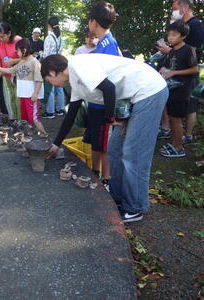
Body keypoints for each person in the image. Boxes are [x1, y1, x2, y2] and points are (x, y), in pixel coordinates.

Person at [41, 54, 168, 223]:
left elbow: (108, 88)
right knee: (114, 148)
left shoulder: (78, 65)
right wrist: (56, 144)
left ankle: (135, 207)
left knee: (133, 153)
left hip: (149, 91)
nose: (50, 84)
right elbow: (70, 116)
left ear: (52, 72)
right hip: (133, 98)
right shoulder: (76, 82)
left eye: (48, 80)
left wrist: (110, 119)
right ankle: (117, 197)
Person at [84, 0, 122, 188]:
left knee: (104, 144)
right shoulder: (102, 43)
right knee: (95, 142)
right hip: (95, 102)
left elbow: (110, 82)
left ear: (94, 22)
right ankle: (95, 173)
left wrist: (110, 114)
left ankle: (106, 180)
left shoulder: (109, 44)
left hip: (104, 106)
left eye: (88, 20)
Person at [157, 0, 204, 143]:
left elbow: (193, 59)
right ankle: (174, 137)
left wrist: (170, 52)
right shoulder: (177, 28)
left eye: (175, 6)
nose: (172, 8)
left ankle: (184, 139)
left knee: (189, 106)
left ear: (185, 7)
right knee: (173, 114)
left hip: (186, 81)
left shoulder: (195, 26)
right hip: (174, 83)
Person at [0, 39, 47, 135]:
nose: (17, 53)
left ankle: (44, 134)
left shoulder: (35, 62)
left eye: (18, 50)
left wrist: (35, 93)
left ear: (24, 50)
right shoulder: (22, 62)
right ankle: (29, 133)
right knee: (24, 116)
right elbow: (11, 70)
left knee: (33, 117)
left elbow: (39, 80)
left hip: (31, 95)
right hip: (23, 94)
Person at [159, 21, 198, 158]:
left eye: (174, 35)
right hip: (172, 90)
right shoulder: (172, 51)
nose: (170, 38)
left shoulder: (188, 50)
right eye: (169, 35)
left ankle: (179, 147)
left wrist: (174, 73)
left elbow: (194, 69)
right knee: (172, 118)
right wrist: (163, 69)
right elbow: (166, 66)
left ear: (183, 36)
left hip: (182, 91)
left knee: (176, 120)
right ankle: (174, 143)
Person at [0, 21, 23, 119]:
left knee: (18, 97)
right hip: (6, 74)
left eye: (2, 36)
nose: (0, 39)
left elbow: (27, 58)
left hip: (19, 75)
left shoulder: (18, 41)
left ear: (9, 33)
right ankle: (12, 118)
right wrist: (0, 69)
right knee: (8, 97)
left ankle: (21, 120)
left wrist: (14, 61)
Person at [41, 16, 65, 119]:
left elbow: (46, 55)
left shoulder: (49, 38)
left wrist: (41, 55)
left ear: (49, 26)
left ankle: (50, 112)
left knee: (50, 88)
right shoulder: (60, 38)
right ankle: (60, 109)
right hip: (59, 64)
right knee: (59, 87)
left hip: (50, 64)